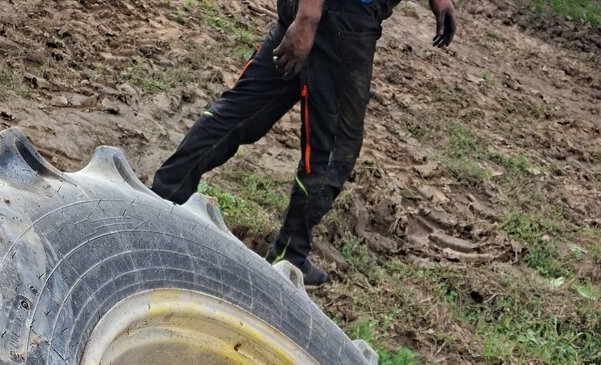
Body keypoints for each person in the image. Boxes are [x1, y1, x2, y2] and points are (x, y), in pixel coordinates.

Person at [151, 0, 457, 285]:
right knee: (334, 147)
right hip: (336, 17)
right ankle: (289, 257)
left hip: (320, 14)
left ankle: (163, 197)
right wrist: (308, 19)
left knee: (245, 110)